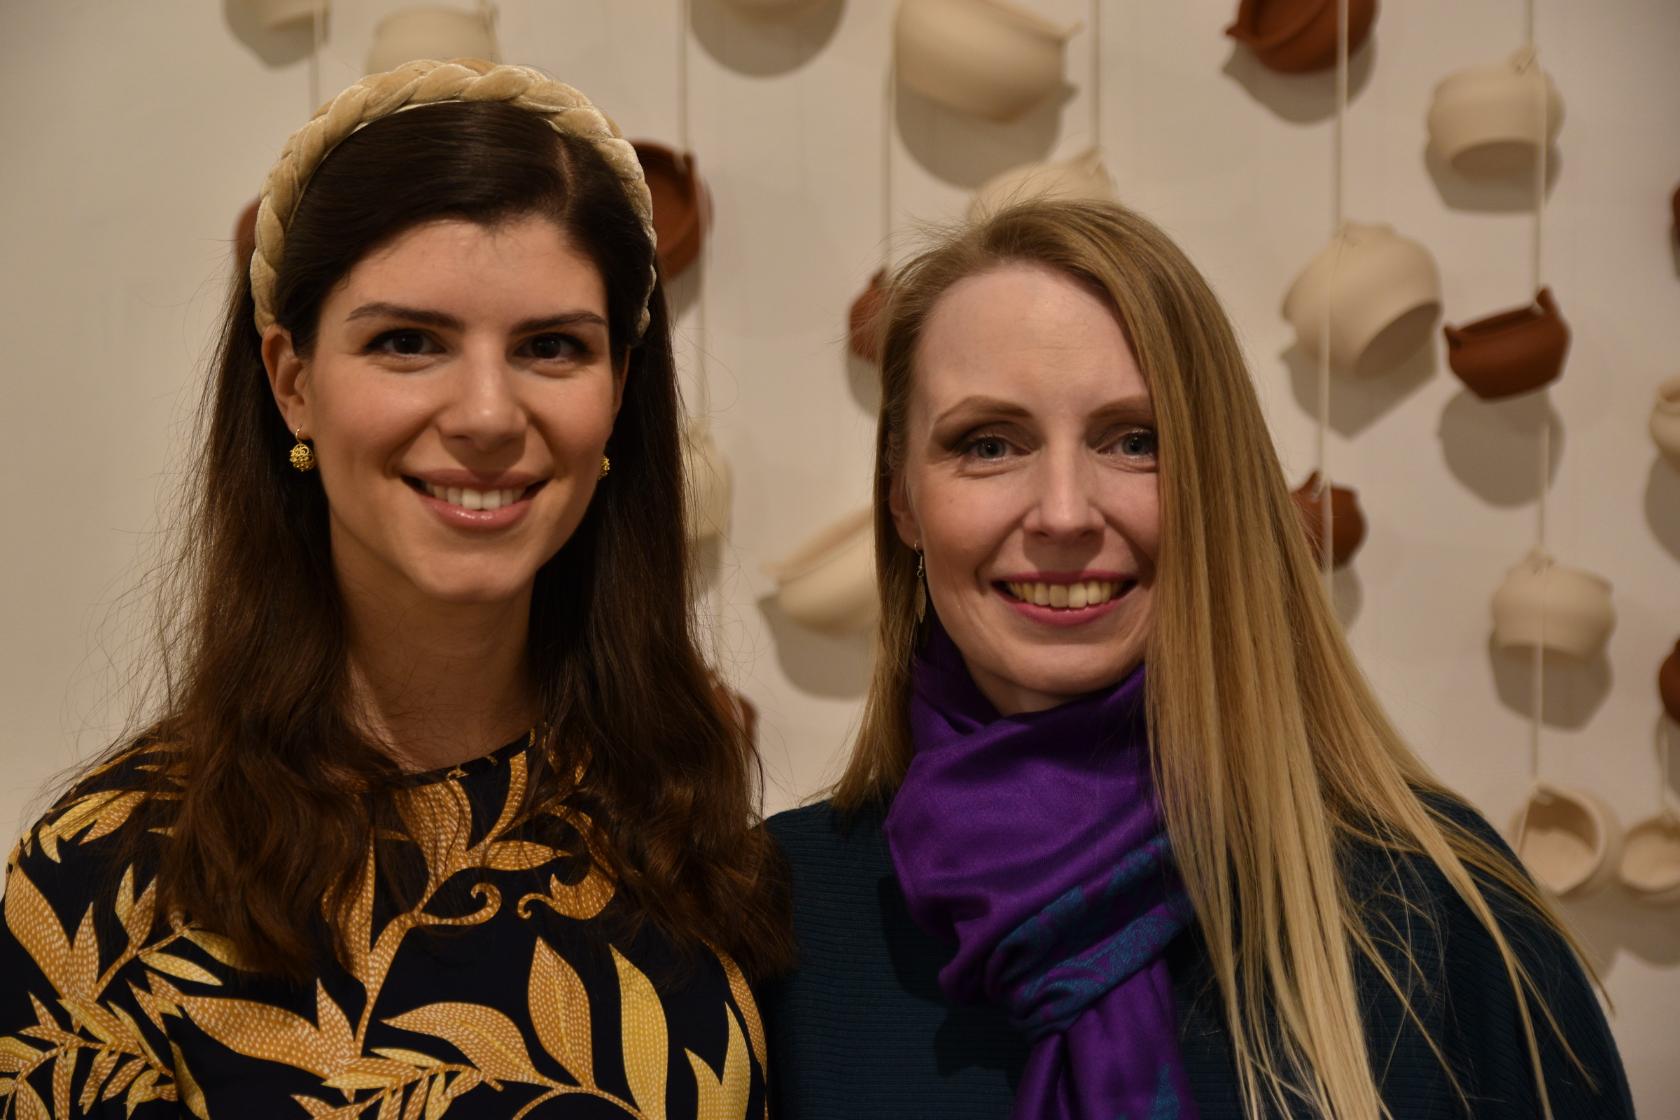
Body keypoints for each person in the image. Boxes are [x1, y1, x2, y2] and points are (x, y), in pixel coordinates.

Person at [0, 59, 786, 1118]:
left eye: (552, 347)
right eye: (408, 342)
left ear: (618, 394)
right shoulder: (104, 883)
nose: (487, 414)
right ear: (292, 383)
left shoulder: (694, 833)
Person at [762, 199, 1634, 1119]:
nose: (1064, 513)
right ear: (902, 500)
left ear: (1219, 483)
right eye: (988, 444)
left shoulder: (1442, 906)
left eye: (1135, 441)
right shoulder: (775, 914)